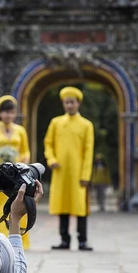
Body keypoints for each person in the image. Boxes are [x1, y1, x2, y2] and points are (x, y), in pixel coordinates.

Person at [44, 86, 94, 251]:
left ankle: (82, 240)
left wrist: (85, 175)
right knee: (62, 206)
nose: (69, 105)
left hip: (78, 173)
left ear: (78, 103)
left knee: (80, 207)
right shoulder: (56, 123)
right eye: (67, 102)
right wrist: (51, 159)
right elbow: (48, 143)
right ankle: (64, 239)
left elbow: (88, 152)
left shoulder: (86, 125)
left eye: (72, 102)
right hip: (61, 172)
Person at [0, 95, 31, 249]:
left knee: (16, 203)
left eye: (11, 112)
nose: (8, 115)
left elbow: (26, 150)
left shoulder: (20, 130)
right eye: (5, 112)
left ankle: (17, 237)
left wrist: (24, 162)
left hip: (16, 174)